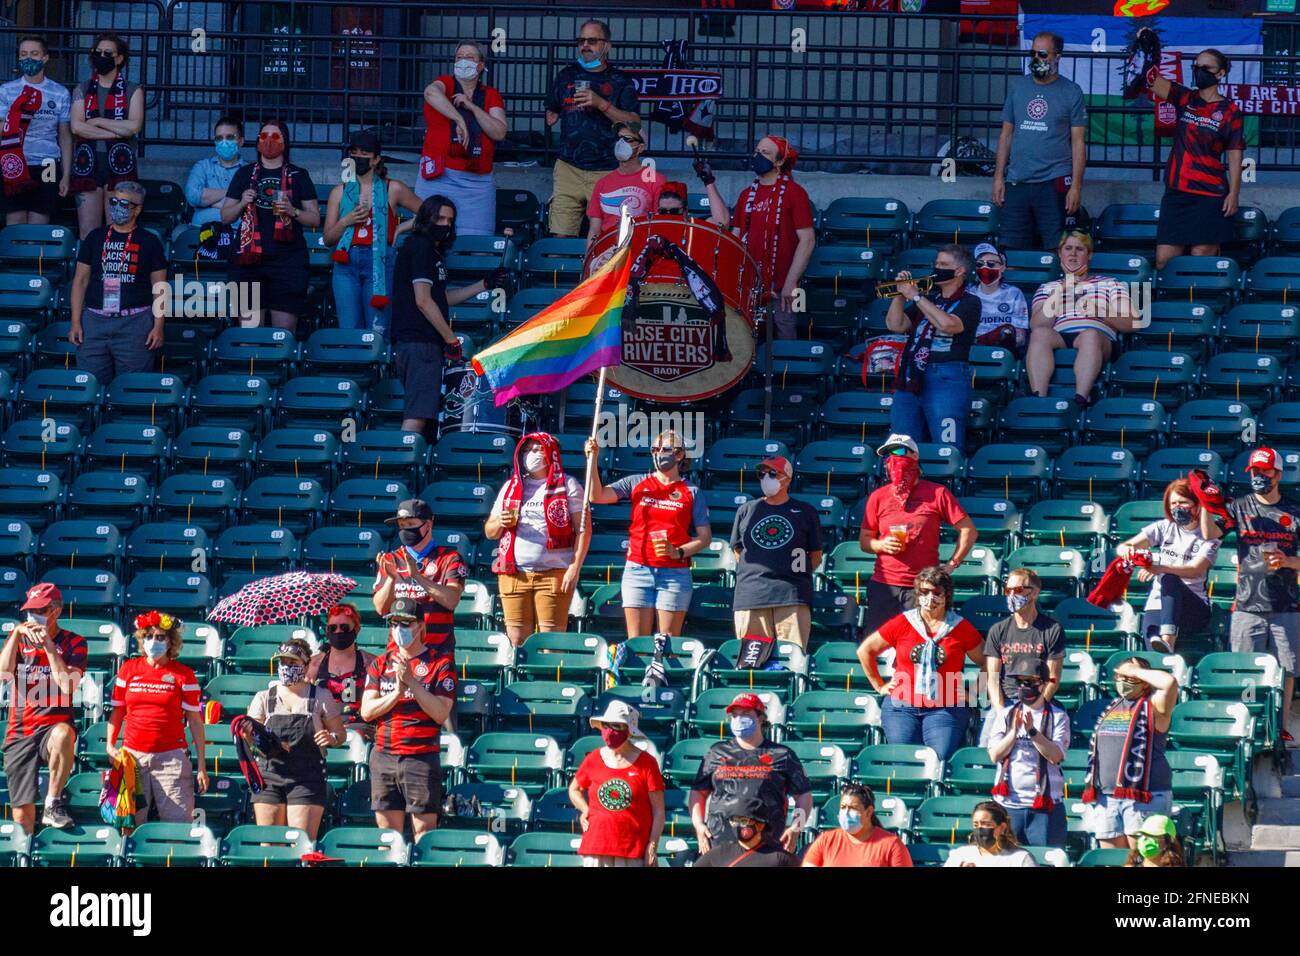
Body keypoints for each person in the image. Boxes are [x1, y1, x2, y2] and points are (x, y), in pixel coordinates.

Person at [1197, 447, 1300, 741]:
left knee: (1287, 670)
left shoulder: (1295, 511)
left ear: (1278, 474)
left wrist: (1289, 561)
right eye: (1255, 472)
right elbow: (1209, 534)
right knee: (1244, 667)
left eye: (1264, 472)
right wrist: (1207, 503)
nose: (1259, 476)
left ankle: (1278, 726)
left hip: (1287, 604)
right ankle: (1246, 723)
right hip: (1246, 604)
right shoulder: (1239, 507)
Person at [388, 194, 507, 436]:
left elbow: (440, 299)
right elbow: (423, 300)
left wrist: (483, 284)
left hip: (417, 344)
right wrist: (450, 338)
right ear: (425, 218)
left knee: (423, 415)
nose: (445, 225)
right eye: (439, 218)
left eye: (449, 220)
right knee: (417, 415)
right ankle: (398, 465)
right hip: (419, 343)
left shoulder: (428, 251)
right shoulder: (421, 248)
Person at [584, 430, 712, 641]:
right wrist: (593, 460)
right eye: (655, 449)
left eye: (665, 449)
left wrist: (678, 551)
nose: (659, 454)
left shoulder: (692, 491)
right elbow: (596, 496)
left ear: (679, 455)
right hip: (638, 569)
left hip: (674, 574)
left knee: (667, 642)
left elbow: (704, 537)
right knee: (637, 642)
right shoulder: (637, 482)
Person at [858, 566, 986, 761]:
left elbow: (989, 662)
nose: (930, 598)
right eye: (925, 592)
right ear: (917, 594)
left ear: (947, 595)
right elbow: (865, 650)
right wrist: (879, 685)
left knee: (938, 759)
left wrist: (975, 692)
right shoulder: (903, 623)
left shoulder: (960, 627)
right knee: (902, 761)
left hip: (945, 708)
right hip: (901, 707)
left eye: (936, 593)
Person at [859, 434, 978, 634]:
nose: (893, 459)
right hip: (884, 585)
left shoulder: (937, 493)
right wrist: (881, 545)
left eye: (898, 451)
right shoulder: (878, 497)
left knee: (918, 646)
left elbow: (969, 531)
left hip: (924, 586)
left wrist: (951, 566)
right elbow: (864, 540)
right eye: (888, 454)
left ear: (914, 456)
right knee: (878, 646)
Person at [361, 597, 458, 838]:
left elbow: (440, 713)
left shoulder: (440, 663)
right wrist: (396, 693)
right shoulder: (380, 665)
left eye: (405, 623)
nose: (399, 629)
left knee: (424, 831)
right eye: (394, 623)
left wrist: (411, 682)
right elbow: (367, 711)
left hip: (420, 757)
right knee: (388, 834)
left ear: (420, 626)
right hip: (383, 754)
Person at [1142, 41, 1244, 270]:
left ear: (1221, 73)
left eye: (1206, 68)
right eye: (1195, 67)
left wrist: (1235, 193)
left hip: (1210, 194)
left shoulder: (1231, 111)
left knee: (1201, 259)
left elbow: (1236, 154)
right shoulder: (1184, 97)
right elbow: (1150, 80)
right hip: (1177, 191)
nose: (1199, 72)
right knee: (1164, 260)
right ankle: (1168, 305)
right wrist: (1145, 50)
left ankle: (1198, 305)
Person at [485, 432, 591, 647]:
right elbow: (490, 531)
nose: (530, 455)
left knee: (550, 642)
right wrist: (501, 523)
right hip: (514, 573)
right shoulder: (511, 487)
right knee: (516, 640)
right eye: (527, 450)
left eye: (537, 449)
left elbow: (584, 530)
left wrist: (575, 567)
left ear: (551, 453)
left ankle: (551, 680)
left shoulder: (569, 485)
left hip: (553, 574)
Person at [106, 610, 208, 825]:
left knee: (178, 827)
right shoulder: (128, 670)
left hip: (171, 758)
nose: (154, 641)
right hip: (132, 757)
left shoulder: (184, 674)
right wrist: (109, 745)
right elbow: (117, 711)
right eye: (148, 636)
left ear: (171, 642)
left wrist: (201, 765)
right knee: (128, 825)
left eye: (160, 637)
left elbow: (195, 722)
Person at [543, 18, 640, 238]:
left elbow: (635, 123)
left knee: (608, 237)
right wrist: (553, 113)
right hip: (569, 167)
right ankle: (562, 273)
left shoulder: (620, 80)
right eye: (581, 40)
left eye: (592, 41)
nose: (585, 45)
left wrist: (601, 104)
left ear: (607, 46)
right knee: (560, 236)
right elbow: (553, 107)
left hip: (607, 169)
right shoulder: (566, 75)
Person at [221, 120, 321, 332]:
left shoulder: (299, 175)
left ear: (285, 143)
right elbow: (226, 217)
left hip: (288, 262)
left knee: (281, 337)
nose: (268, 142)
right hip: (248, 261)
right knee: (249, 334)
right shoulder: (244, 174)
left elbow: (314, 219)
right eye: (263, 136)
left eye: (275, 137)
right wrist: (241, 203)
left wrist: (293, 211)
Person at [241, 638, 345, 840]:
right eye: (283, 662)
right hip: (269, 775)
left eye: (293, 663)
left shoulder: (320, 696)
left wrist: (331, 738)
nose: (287, 667)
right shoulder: (264, 698)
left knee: (301, 843)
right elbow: (253, 739)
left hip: (307, 778)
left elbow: (340, 734)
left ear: (306, 666)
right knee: (269, 845)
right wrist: (248, 734)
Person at [0, 583, 84, 831]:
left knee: (63, 734)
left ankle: (52, 803)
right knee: (22, 815)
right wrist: (15, 634)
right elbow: (3, 674)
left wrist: (48, 645)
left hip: (52, 727)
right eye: (29, 610)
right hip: (20, 731)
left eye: (40, 610)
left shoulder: (75, 643)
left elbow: (67, 685)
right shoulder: (19, 640)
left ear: (55, 611)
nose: (32, 616)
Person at [992, 31, 1086, 251]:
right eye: (1032, 53)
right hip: (1017, 180)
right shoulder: (1018, 87)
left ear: (1057, 57)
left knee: (1056, 248)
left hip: (1053, 180)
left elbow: (1078, 143)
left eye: (1042, 54)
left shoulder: (1071, 91)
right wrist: (998, 178)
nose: (1036, 59)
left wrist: (1076, 187)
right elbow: (1005, 135)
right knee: (1012, 248)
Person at [323, 129, 422, 338]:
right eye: (354, 153)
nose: (358, 157)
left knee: (377, 330)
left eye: (364, 153)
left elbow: (428, 213)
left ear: (376, 159)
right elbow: (329, 238)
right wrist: (346, 221)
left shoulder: (392, 188)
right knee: (348, 330)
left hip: (380, 261)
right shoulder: (339, 192)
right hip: (345, 263)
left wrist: (401, 227)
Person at [69, 180, 167, 387]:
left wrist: (158, 326)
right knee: (90, 385)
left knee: (132, 387)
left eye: (124, 204)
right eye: (114, 201)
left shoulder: (149, 241)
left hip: (135, 323)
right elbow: (80, 281)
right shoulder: (95, 237)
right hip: (94, 321)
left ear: (137, 209)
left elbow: (160, 287)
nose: (117, 208)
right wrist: (76, 322)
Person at [1026, 229, 1139, 408]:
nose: (1072, 254)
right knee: (1040, 334)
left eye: (1080, 249)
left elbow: (1133, 323)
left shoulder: (1111, 283)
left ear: (1090, 255)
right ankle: (1038, 400)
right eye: (1068, 248)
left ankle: (1081, 400)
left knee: (1090, 335)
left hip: (1099, 337)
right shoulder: (1048, 287)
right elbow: (1037, 325)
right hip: (1061, 336)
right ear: (1059, 253)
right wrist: (1063, 289)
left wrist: (1099, 310)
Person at [689, 692, 813, 854]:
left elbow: (804, 796)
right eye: (735, 715)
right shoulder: (716, 753)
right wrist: (699, 825)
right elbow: (698, 793)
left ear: (761, 718)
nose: (739, 719)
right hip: (720, 844)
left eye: (746, 714)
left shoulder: (782, 754)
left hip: (766, 847)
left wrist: (796, 828)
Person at [885, 243, 981, 448]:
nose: (937, 268)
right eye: (936, 263)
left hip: (947, 375)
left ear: (960, 271)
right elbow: (896, 325)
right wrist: (900, 295)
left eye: (943, 264)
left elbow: (948, 325)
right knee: (901, 447)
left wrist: (916, 296)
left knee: (946, 446)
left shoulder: (971, 301)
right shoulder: (928, 299)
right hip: (911, 375)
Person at [1081, 657, 1177, 849]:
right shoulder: (1112, 706)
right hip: (1107, 797)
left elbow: (1170, 683)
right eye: (1120, 676)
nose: (1124, 680)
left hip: (1144, 797)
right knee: (1113, 861)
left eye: (1130, 676)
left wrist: (1135, 670)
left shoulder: (1154, 706)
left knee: (1144, 860)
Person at [730, 454, 823, 652]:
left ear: (787, 478)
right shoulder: (746, 510)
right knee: (751, 663)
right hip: (751, 595)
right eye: (761, 474)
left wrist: (793, 575)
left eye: (772, 473)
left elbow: (815, 555)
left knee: (791, 659)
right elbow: (738, 551)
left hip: (791, 595)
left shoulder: (805, 511)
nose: (766, 478)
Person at [418, 40, 509, 236]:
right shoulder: (446, 83)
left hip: (477, 183)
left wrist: (471, 107)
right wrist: (459, 118)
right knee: (428, 235)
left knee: (476, 242)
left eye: (469, 57)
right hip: (439, 175)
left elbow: (499, 132)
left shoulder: (490, 94)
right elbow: (430, 92)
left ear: (481, 65)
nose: (463, 61)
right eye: (459, 57)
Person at [729, 134, 815, 340]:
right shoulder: (745, 194)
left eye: (765, 153)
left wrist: (790, 282)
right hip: (750, 285)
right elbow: (736, 237)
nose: (758, 156)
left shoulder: (795, 193)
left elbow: (808, 240)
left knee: (785, 331)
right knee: (743, 338)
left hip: (784, 285)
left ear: (779, 161)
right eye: (757, 151)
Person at [1118, 478, 1218, 653]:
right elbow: (1123, 547)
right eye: (1173, 503)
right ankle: (1164, 650)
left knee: (1170, 578)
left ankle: (1168, 640)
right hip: (1159, 602)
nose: (1177, 507)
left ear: (1196, 505)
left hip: (1193, 607)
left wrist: (1160, 568)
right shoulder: (1164, 527)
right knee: (1152, 641)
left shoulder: (1209, 534)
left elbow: (1196, 569)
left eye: (1183, 502)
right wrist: (1136, 555)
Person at [568, 700, 665, 867]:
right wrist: (585, 809)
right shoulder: (593, 758)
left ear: (628, 730)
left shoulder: (647, 763)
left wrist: (652, 845)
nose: (609, 731)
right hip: (596, 845)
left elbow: (658, 811)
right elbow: (574, 789)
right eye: (606, 725)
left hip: (631, 848)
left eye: (616, 726)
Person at [987, 660, 1070, 847]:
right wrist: (1014, 733)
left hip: (1045, 805)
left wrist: (1033, 732)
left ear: (1043, 683)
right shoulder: (1006, 714)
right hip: (1008, 805)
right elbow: (995, 755)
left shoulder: (1058, 716)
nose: (1025, 687)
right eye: (1021, 682)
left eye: (1030, 682)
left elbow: (1055, 756)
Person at [69, 32, 143, 239]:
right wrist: (116, 130)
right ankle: (87, 272)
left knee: (118, 229)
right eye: (97, 52)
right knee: (88, 231)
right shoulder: (81, 89)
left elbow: (133, 127)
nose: (101, 56)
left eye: (107, 53)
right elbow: (77, 127)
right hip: (87, 164)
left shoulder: (133, 90)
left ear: (119, 58)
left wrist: (98, 121)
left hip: (121, 165)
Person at [373, 498, 469, 655]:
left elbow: (452, 600)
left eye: (411, 524)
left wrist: (417, 577)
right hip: (398, 654)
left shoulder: (450, 558)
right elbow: (380, 608)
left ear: (428, 525)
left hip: (438, 654)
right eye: (402, 526)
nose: (405, 530)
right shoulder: (391, 559)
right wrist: (391, 579)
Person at [0, 35, 71, 225]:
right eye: (23, 54)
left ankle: (35, 256)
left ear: (45, 58)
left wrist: (66, 174)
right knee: (15, 223)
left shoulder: (60, 92)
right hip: (14, 164)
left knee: (39, 224)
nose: (28, 58)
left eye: (34, 53)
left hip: (48, 164)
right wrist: (18, 115)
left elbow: (64, 136)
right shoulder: (7, 90)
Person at [984, 568, 1065, 715]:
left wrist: (1034, 710)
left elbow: (1053, 679)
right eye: (1008, 591)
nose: (1012, 595)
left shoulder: (1052, 630)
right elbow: (992, 679)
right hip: (1006, 702)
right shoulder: (997, 630)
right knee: (988, 737)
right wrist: (1001, 713)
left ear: (1035, 593)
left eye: (1018, 590)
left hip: (1037, 701)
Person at [585, 121, 666, 249]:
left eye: (627, 139)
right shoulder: (602, 183)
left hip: (640, 248)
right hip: (608, 249)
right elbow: (594, 230)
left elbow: (660, 225)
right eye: (619, 138)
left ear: (640, 148)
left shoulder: (656, 180)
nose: (620, 143)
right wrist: (590, 262)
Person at [801, 783, 912, 868]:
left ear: (868, 812)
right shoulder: (826, 840)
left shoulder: (892, 845)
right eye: (843, 807)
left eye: (852, 808)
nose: (846, 813)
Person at [307, 603, 376, 735]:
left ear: (356, 629)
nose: (338, 631)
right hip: (322, 730)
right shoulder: (314, 664)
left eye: (344, 627)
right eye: (333, 628)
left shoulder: (370, 663)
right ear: (327, 630)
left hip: (358, 729)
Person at [692, 794, 799, 868]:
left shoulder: (779, 857)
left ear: (761, 825)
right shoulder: (719, 853)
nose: (738, 825)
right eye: (734, 820)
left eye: (744, 820)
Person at [184, 116, 248, 227]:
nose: (224, 142)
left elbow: (249, 206)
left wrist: (209, 202)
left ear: (241, 141)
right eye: (219, 138)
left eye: (229, 137)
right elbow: (193, 197)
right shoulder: (202, 166)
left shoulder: (249, 170)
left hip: (237, 233)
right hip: (199, 231)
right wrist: (232, 195)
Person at [970, 242, 1030, 357]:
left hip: (1003, 351)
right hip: (972, 350)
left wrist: (1002, 336)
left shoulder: (1014, 293)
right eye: (980, 264)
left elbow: (1020, 338)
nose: (984, 268)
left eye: (991, 264)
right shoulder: (968, 293)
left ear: (1002, 267)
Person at [944, 801, 1037, 867]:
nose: (980, 829)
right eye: (976, 825)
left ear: (1002, 827)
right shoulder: (961, 854)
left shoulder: (1020, 858)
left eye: (986, 824)